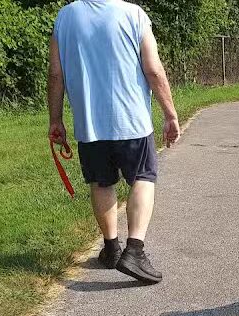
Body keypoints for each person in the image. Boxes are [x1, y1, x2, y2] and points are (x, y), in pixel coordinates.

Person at [47, 0, 180, 284]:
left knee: (101, 182)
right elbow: (153, 69)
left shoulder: (66, 16)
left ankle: (111, 248)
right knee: (143, 177)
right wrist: (170, 114)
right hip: (131, 121)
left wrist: (55, 120)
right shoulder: (133, 14)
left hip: (89, 125)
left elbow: (56, 75)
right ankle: (134, 251)